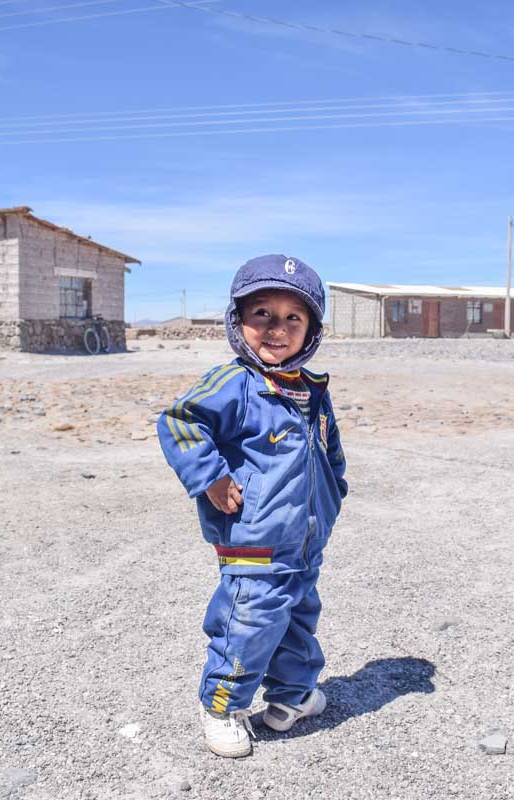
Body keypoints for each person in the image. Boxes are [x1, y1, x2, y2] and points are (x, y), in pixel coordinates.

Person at [157, 254, 348, 758]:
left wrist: (335, 491)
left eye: (293, 318)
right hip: (254, 541)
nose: (277, 329)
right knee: (249, 621)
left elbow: (329, 450)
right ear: (238, 321)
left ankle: (291, 698)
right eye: (262, 313)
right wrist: (211, 479)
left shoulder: (311, 390)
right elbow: (179, 422)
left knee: (298, 618)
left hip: (304, 540)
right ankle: (220, 705)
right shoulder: (234, 383)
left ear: (311, 331)